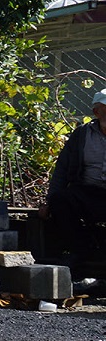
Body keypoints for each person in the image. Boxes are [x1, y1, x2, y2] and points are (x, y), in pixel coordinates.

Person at [41, 89, 106, 266]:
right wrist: (49, 201)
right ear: (97, 112)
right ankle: (82, 249)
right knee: (60, 200)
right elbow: (62, 168)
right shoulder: (82, 134)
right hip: (87, 192)